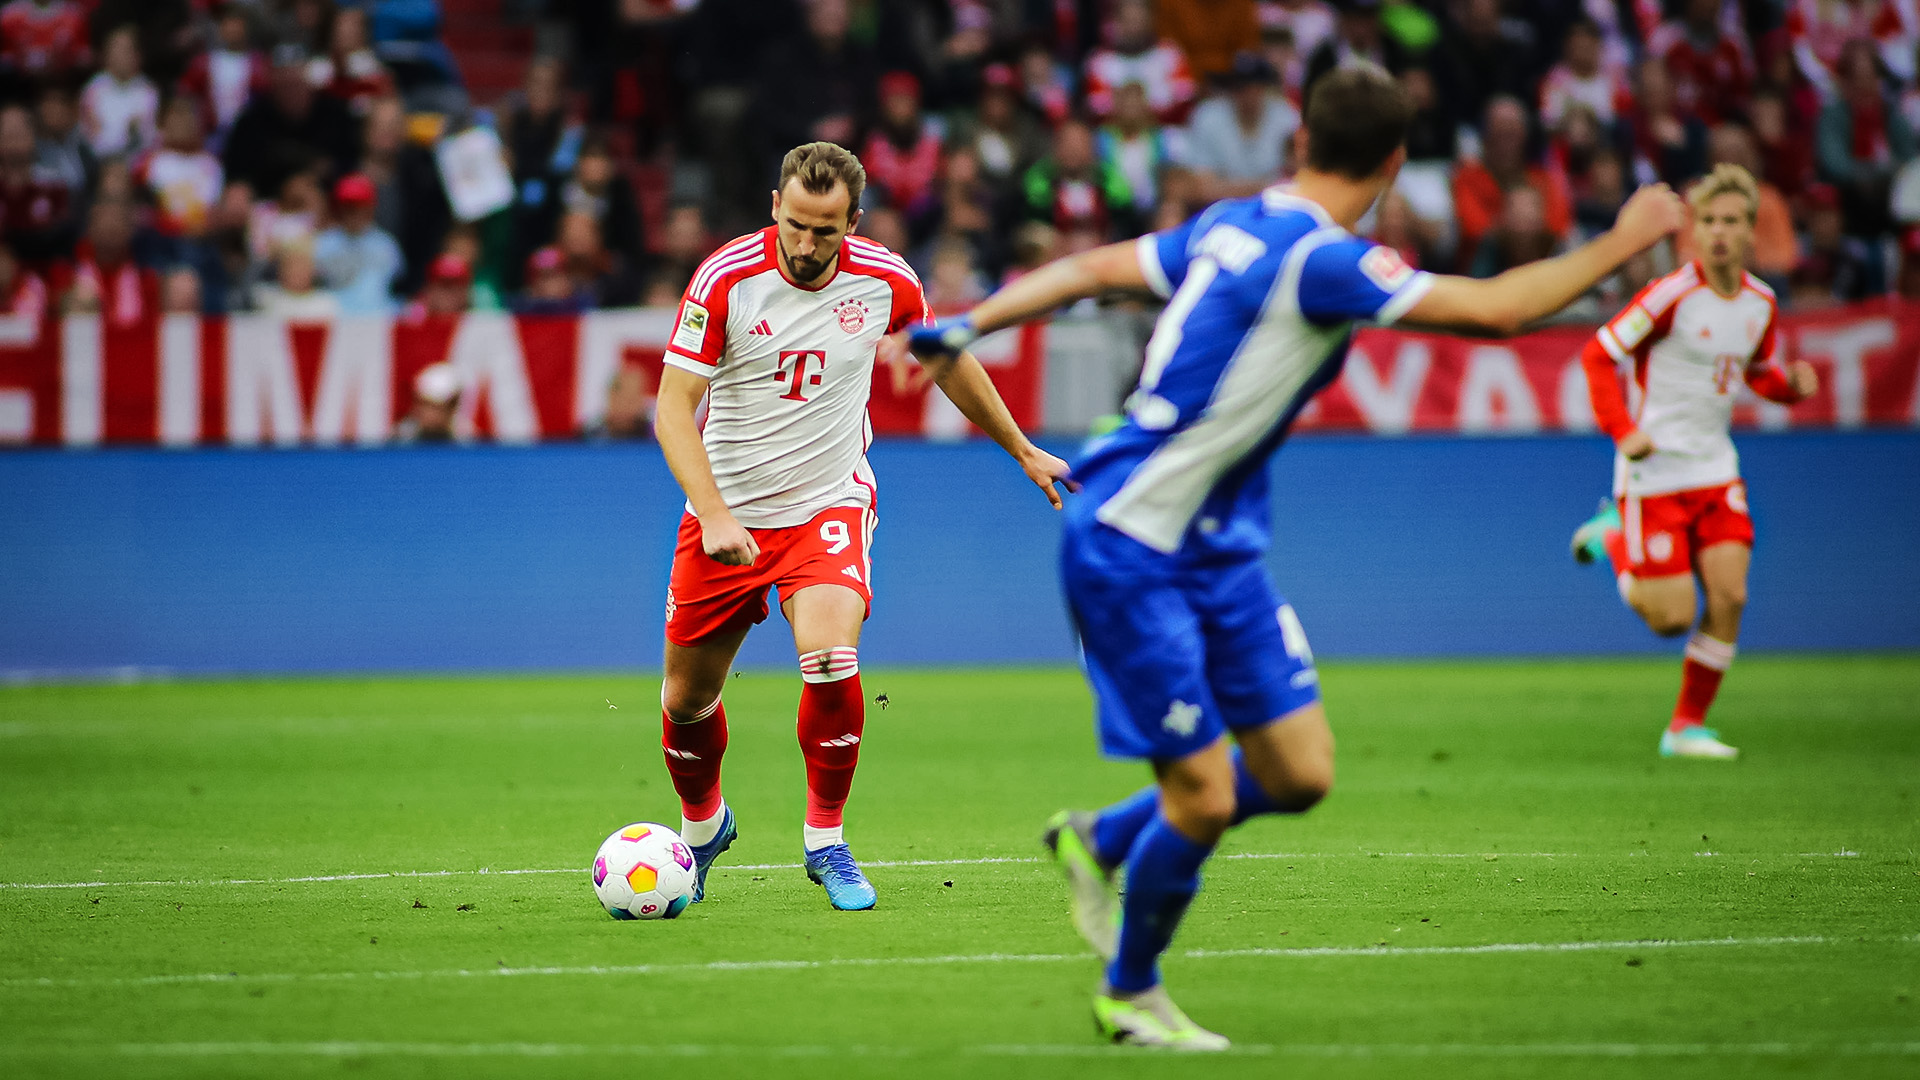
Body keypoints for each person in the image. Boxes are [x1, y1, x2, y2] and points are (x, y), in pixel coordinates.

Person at [908, 63, 1685, 1048]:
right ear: (1396, 164)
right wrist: (1622, 242)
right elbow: (1494, 314)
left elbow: (1095, 268)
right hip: (1132, 541)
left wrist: (976, 318)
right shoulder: (1323, 260)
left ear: (1302, 140)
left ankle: (1099, 837)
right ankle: (1130, 992)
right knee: (1203, 793)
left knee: (1300, 774)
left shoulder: (1235, 221)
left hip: (1218, 548)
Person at [651, 141, 1070, 912]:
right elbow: (672, 407)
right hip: (729, 511)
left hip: (828, 502)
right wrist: (712, 512)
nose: (808, 247)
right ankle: (704, 825)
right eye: (798, 226)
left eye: (827, 231)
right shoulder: (726, 278)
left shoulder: (886, 279)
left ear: (854, 222)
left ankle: (826, 840)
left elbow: (945, 360)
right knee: (684, 701)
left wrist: (1020, 449)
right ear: (775, 205)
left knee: (831, 656)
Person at [1569, 164, 1818, 761]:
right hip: (1654, 473)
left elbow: (1753, 372)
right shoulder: (1671, 295)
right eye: (1708, 221)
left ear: (1750, 232)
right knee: (1671, 619)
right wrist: (1623, 432)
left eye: (1731, 221)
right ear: (1693, 234)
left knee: (1730, 597)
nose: (1719, 233)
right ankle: (1614, 537)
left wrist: (1791, 387)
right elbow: (1599, 354)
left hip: (1715, 470)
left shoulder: (1760, 303)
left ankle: (1685, 727)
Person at [313, 172, 402, 314]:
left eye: (359, 205)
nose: (353, 211)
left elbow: (397, 285)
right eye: (348, 205)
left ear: (370, 207)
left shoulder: (385, 244)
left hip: (379, 316)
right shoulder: (323, 243)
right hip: (335, 317)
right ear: (339, 207)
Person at [79, 25, 160, 160]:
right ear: (106, 55)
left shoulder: (148, 90)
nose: (121, 55)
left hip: (137, 161)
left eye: (126, 50)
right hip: (100, 160)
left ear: (137, 55)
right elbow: (91, 134)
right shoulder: (93, 88)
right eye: (116, 49)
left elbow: (148, 134)